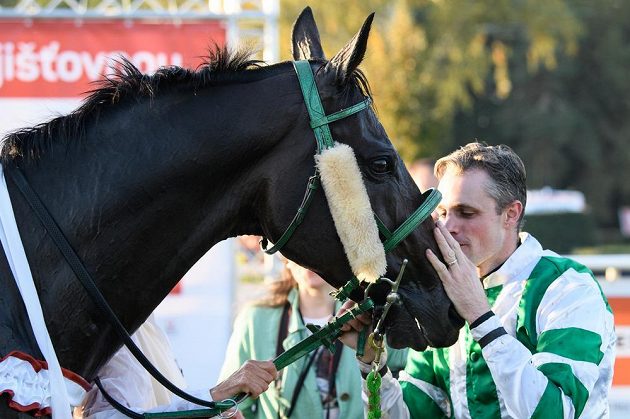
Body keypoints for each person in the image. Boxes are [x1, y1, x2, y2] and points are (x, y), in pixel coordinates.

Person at [339, 142, 616, 418]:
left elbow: (556, 413)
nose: (448, 228)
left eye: (466, 213)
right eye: (443, 213)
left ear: (511, 214)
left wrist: (480, 315)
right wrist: (372, 364)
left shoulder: (568, 287)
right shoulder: (440, 297)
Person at [218, 257, 408, 419]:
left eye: (316, 245)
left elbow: (404, 392)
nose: (307, 260)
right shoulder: (255, 319)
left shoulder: (373, 316)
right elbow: (230, 406)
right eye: (298, 248)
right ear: (285, 260)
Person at [74, 314, 277, 418]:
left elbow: (163, 401)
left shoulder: (146, 322)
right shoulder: (109, 322)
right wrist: (214, 397)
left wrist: (213, 412)